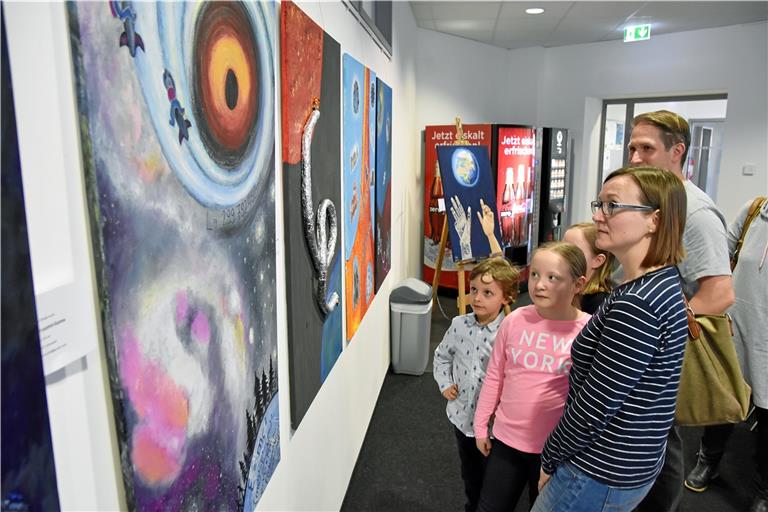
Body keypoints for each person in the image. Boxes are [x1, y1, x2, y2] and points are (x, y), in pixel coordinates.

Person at [531, 166, 689, 512]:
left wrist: (550, 457)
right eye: (599, 204)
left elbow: (594, 406)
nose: (598, 216)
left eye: (612, 206)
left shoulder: (636, 304)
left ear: (654, 220)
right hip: (629, 463)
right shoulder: (659, 282)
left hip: (597, 469)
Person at [628, 110, 735, 512]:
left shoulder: (695, 212)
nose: (636, 157)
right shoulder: (653, 200)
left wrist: (657, 327)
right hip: (643, 339)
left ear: (678, 152)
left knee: (661, 439)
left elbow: (720, 294)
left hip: (661, 345)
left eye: (647, 148)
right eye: (633, 147)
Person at [473, 241, 591, 512]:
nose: (539, 285)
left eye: (553, 277)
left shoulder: (588, 330)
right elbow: (495, 376)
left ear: (578, 284)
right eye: (535, 274)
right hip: (506, 441)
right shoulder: (515, 321)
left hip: (555, 451)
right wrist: (481, 425)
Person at [685, 196, 768, 512]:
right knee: (722, 400)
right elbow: (719, 258)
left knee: (767, 414)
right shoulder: (753, 212)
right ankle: (709, 459)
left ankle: (764, 487)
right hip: (736, 327)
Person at [433, 256, 520, 512]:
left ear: (506, 298)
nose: (477, 298)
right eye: (474, 291)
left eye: (487, 293)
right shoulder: (459, 325)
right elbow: (441, 355)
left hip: (494, 427)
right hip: (461, 418)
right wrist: (445, 382)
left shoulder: (509, 333)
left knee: (494, 481)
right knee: (469, 474)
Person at [563, 223, 614, 314]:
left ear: (598, 260)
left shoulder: (600, 305)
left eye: (572, 251)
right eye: (562, 249)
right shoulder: (565, 290)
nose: (561, 255)